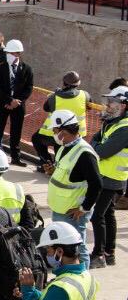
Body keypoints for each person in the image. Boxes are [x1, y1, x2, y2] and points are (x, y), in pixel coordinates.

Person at [44, 110, 101, 268]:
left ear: (64, 130)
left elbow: (97, 184)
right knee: (63, 246)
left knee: (77, 248)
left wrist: (84, 208)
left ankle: (82, 282)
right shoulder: (64, 147)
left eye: (55, 131)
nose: (53, 134)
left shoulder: (85, 154)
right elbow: (69, 175)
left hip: (73, 212)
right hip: (60, 208)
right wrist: (52, 171)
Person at [88, 84, 128, 267]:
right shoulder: (113, 123)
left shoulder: (125, 128)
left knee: (98, 216)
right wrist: (96, 144)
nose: (108, 105)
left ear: (123, 105)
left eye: (112, 101)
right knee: (108, 214)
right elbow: (95, 139)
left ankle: (99, 255)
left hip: (111, 178)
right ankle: (109, 253)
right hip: (106, 176)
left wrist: (95, 147)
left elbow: (103, 150)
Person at [0, 40, 32, 165]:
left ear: (18, 53)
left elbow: (28, 88)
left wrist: (17, 101)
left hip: (18, 106)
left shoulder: (27, 69)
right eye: (7, 52)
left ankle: (15, 157)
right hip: (2, 103)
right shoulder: (0, 67)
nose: (8, 54)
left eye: (11, 52)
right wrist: (9, 100)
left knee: (16, 131)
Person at [32, 73, 89, 170]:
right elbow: (88, 104)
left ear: (64, 83)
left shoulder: (54, 97)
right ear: (78, 84)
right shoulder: (85, 95)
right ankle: (57, 167)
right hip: (77, 134)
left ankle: (47, 164)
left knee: (36, 139)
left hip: (54, 133)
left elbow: (46, 108)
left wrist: (56, 93)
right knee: (59, 147)